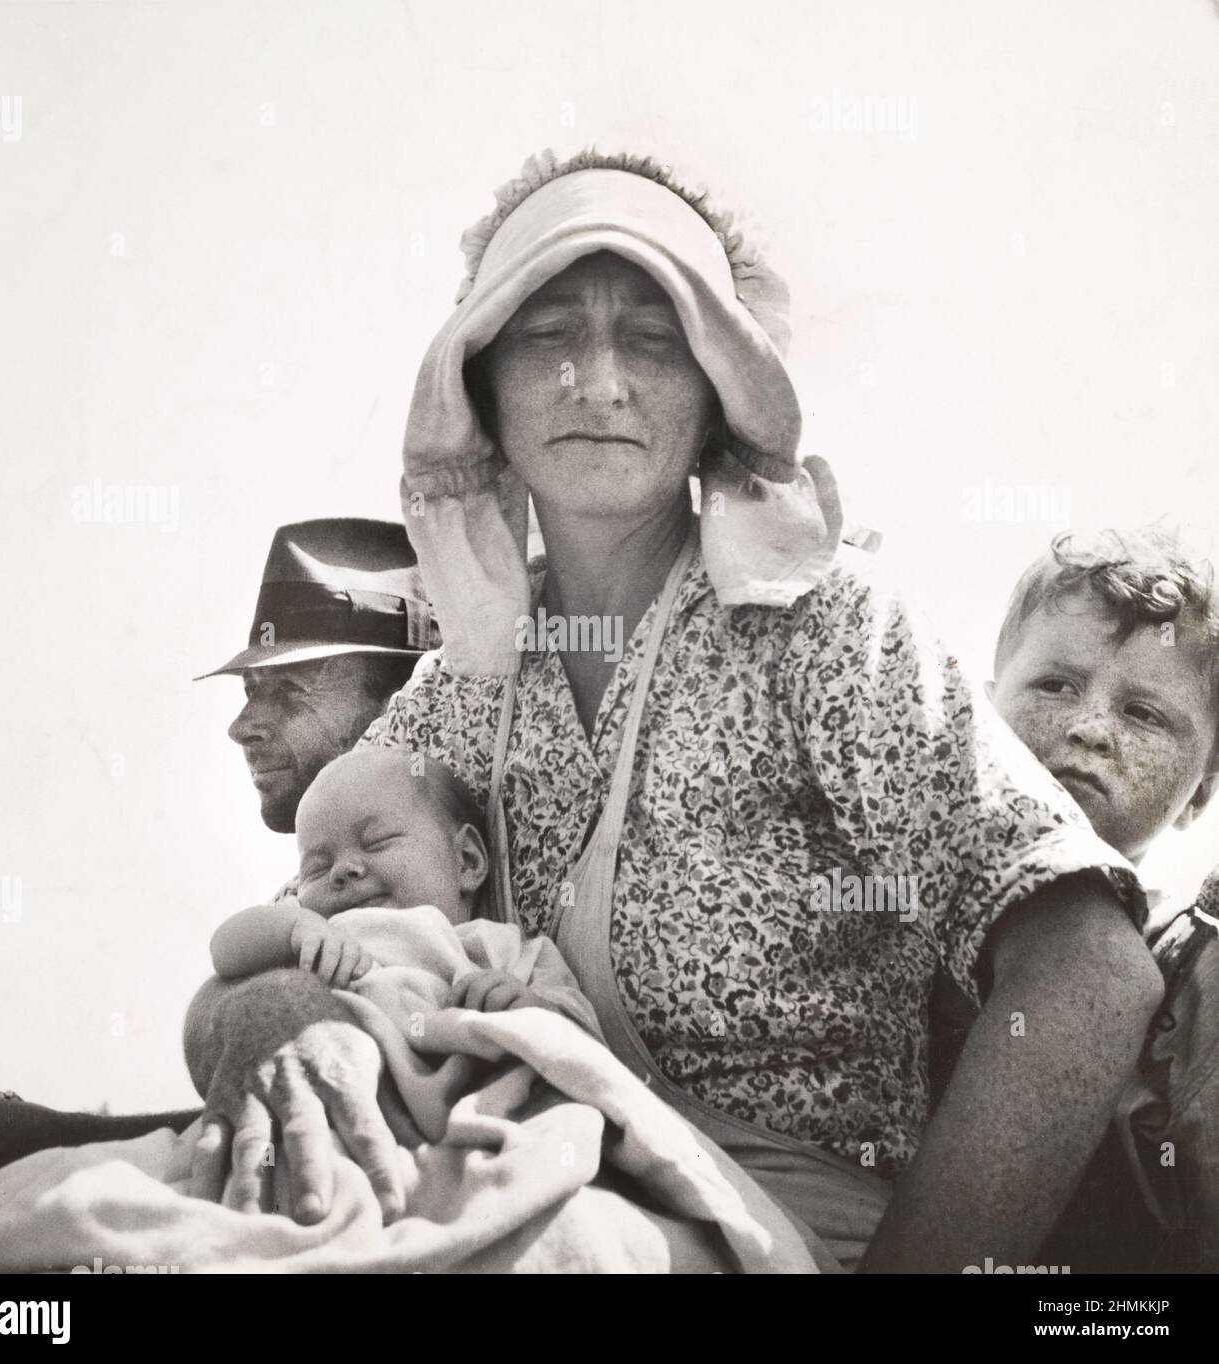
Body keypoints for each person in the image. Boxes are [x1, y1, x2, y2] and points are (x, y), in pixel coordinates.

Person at [180, 149, 1162, 1272]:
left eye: (652, 338)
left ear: (715, 392)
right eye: (548, 335)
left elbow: (1088, 970)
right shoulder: (460, 691)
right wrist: (281, 1032)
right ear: (482, 393)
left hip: (781, 1217)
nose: (597, 383)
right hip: (517, 1161)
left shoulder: (823, 627)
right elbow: (270, 956)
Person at [0, 518, 434, 1212]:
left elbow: (370, 1131)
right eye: (251, 690)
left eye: (287, 689)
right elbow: (263, 1115)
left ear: (399, 702)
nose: (242, 725)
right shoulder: (313, 890)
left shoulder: (435, 867)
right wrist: (50, 1136)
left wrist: (50, 1141)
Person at [980, 526, 1219, 1270]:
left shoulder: (1189, 980)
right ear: (976, 716)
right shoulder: (897, 902)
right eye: (1055, 685)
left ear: (1200, 792)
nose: (1088, 729)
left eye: (1143, 715)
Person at [210, 747, 600, 1036]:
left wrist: (529, 1007)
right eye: (317, 866)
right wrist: (295, 928)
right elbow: (224, 950)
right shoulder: (313, 934)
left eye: (376, 842)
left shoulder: (501, 948)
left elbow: (585, 1042)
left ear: (465, 860)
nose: (343, 869)